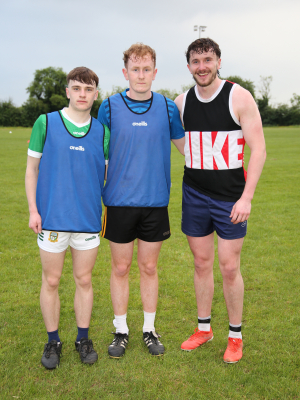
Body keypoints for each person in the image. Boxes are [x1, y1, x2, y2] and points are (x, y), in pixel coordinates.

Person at [175, 38, 266, 363]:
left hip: (230, 199)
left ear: (218, 62)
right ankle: (204, 329)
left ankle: (235, 336)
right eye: (196, 61)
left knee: (229, 267)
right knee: (201, 264)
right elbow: (182, 143)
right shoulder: (181, 102)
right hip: (195, 195)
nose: (202, 66)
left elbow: (259, 149)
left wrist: (246, 197)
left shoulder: (238, 96)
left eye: (208, 60)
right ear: (189, 67)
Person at [97, 43, 185, 358]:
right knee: (120, 267)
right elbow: (99, 151)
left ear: (155, 72)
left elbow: (187, 149)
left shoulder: (167, 108)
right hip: (119, 202)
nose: (141, 75)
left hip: (155, 202)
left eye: (146, 69)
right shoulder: (108, 106)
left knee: (149, 266)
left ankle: (149, 329)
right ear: (125, 73)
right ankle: (121, 330)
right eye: (135, 69)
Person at [25, 67, 107, 369]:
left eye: (88, 89)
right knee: (52, 280)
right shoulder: (45, 123)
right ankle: (53, 340)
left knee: (84, 279)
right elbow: (31, 170)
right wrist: (34, 210)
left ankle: (83, 338)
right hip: (52, 221)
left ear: (96, 94)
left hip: (87, 221)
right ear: (68, 91)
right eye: (77, 88)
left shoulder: (102, 131)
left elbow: (106, 176)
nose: (82, 94)